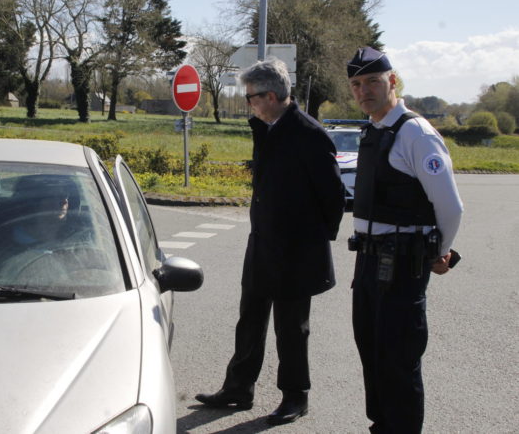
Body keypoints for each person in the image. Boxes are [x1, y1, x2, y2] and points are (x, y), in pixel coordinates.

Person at [195, 58, 345, 425]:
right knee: (250, 320)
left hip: (296, 251)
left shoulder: (309, 134)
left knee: (291, 329)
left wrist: (310, 241)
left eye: (252, 97)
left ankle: (296, 397)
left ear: (274, 95)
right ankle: (238, 388)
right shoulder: (268, 128)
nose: (249, 104)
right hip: (263, 245)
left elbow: (334, 198)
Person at [346, 47, 464, 433]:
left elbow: (450, 207)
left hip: (402, 266)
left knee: (398, 360)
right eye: (357, 84)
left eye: (373, 82)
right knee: (372, 353)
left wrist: (440, 252)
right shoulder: (375, 131)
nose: (365, 91)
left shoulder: (414, 133)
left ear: (392, 82)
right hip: (368, 263)